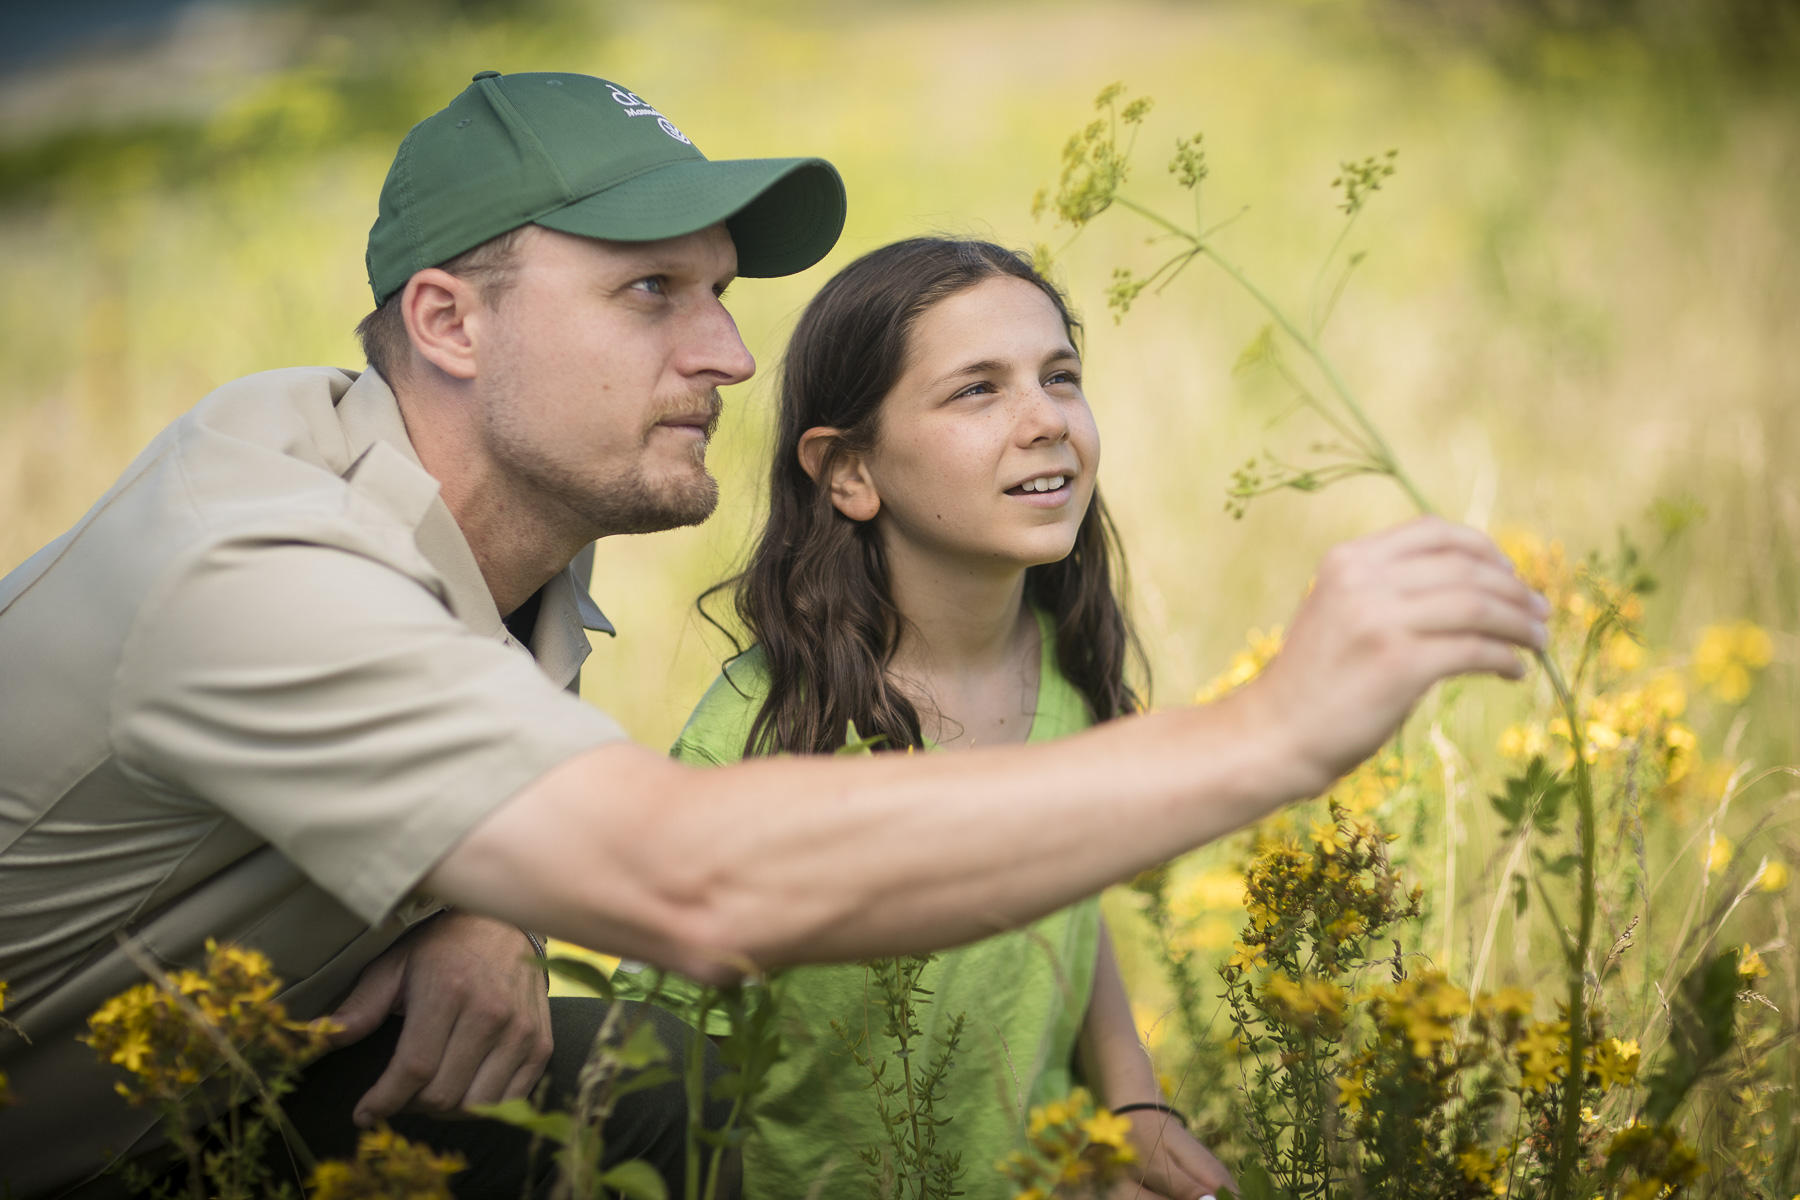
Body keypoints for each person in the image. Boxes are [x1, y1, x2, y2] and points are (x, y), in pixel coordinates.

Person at [0, 70, 1549, 1200]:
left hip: (194, 1102)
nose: (733, 356)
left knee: (624, 1091)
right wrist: (1267, 729)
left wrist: (463, 899)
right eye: (651, 295)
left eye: (725, 295)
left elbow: (468, 765)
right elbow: (688, 878)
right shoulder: (256, 567)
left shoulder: (506, 561)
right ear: (448, 324)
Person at [613, 236, 1235, 1199]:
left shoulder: (1067, 659)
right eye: (977, 391)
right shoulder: (763, 738)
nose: (1046, 421)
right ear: (850, 472)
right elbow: (655, 1067)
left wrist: (1132, 1103)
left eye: (1059, 376)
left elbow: (1068, 900)